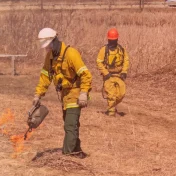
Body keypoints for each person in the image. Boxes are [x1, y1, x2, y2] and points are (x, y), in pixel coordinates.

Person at [34, 28, 92, 158]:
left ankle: (67, 155)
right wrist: (38, 94)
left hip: (76, 94)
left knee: (70, 124)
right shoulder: (50, 56)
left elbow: (85, 74)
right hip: (65, 95)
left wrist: (84, 93)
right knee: (70, 122)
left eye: (47, 46)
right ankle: (77, 151)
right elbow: (45, 76)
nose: (46, 49)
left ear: (54, 41)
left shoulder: (71, 54)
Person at [96, 28, 130, 116]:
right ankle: (111, 112)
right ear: (108, 40)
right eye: (111, 40)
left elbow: (126, 60)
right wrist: (105, 73)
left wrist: (124, 72)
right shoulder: (104, 50)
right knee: (111, 94)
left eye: (114, 40)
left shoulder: (121, 49)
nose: (112, 42)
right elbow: (99, 62)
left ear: (117, 39)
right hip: (108, 75)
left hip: (119, 75)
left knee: (121, 94)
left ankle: (112, 107)